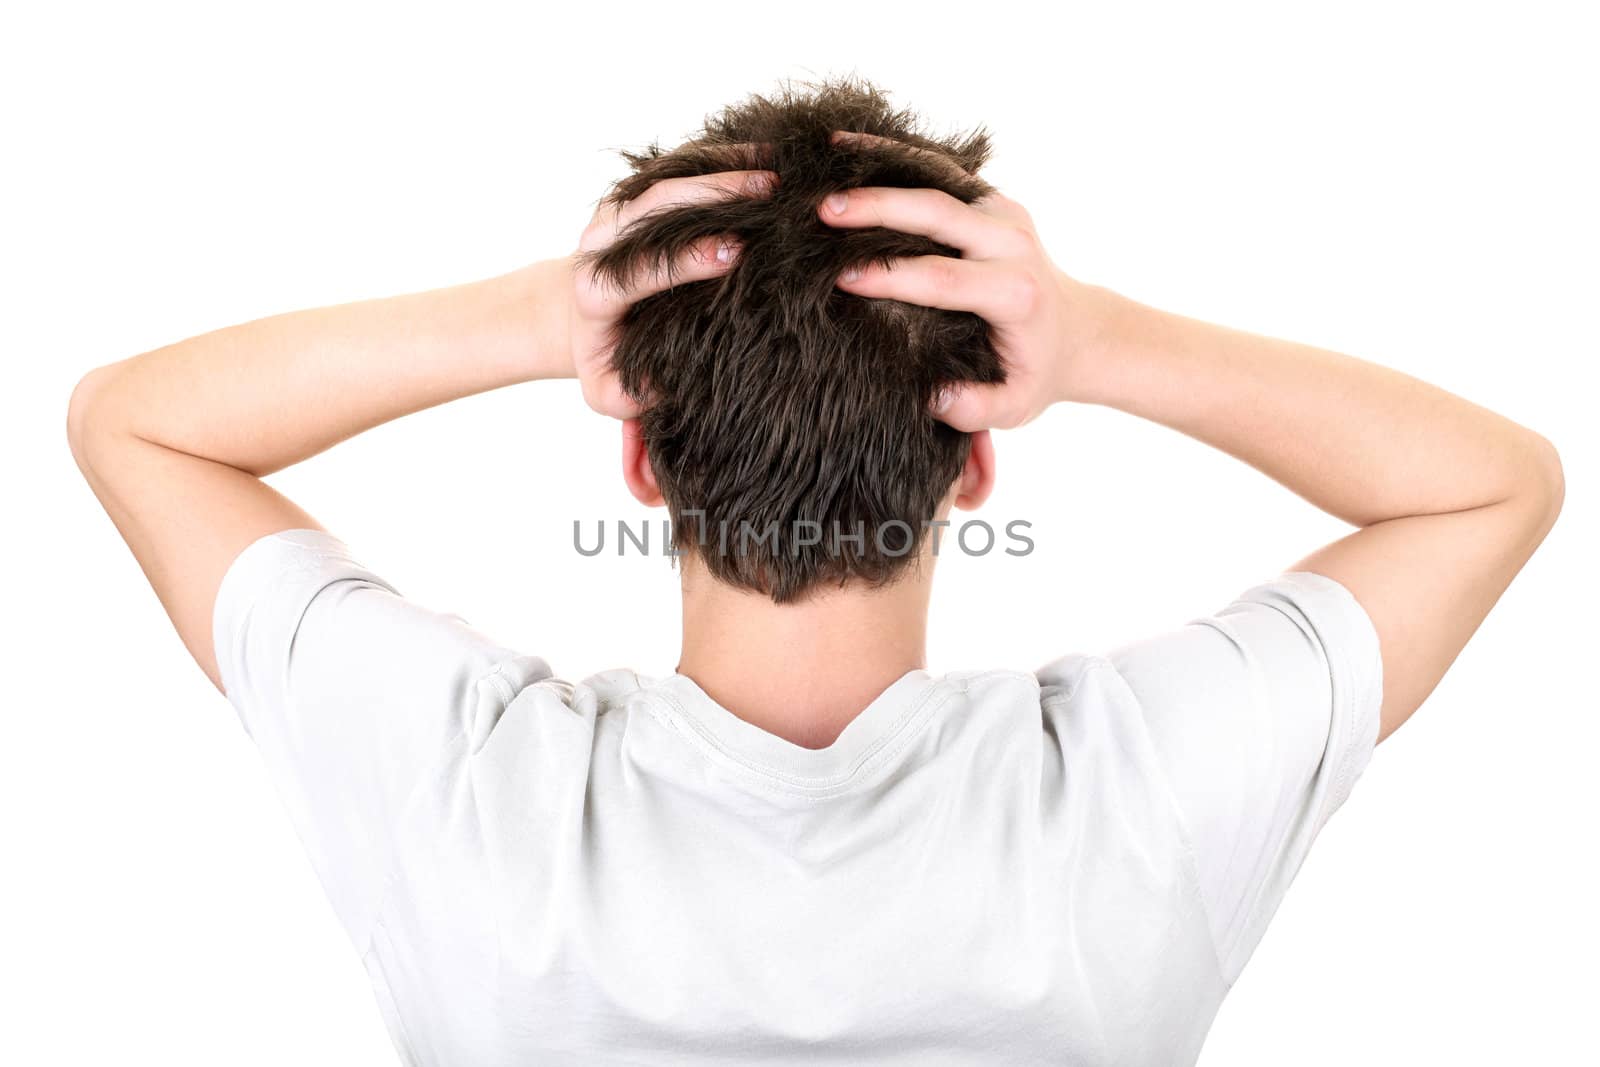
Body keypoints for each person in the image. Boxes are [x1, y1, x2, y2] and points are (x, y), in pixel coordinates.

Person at [67, 78, 1563, 1065]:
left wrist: (544, 315)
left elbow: (132, 424)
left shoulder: (469, 801)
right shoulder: (1130, 805)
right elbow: (1492, 486)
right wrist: (1102, 342)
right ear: (975, 463)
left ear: (643, 465)